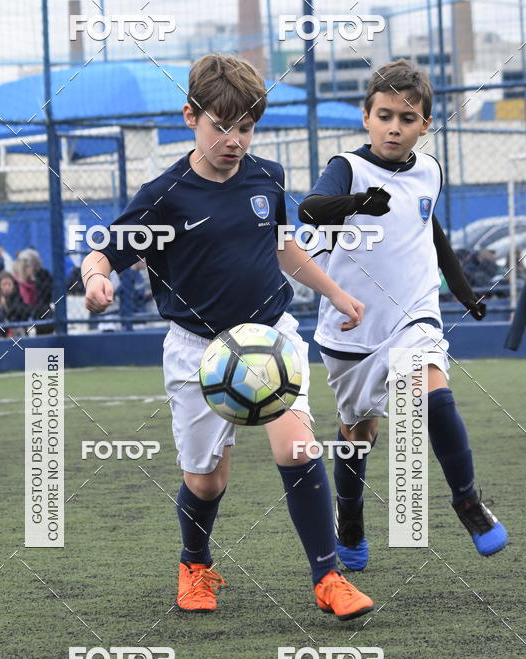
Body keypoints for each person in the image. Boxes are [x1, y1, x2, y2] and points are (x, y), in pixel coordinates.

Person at [82, 53, 374, 620]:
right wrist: (96, 280)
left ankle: (328, 577)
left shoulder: (268, 177)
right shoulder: (165, 194)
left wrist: (335, 293)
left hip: (270, 338)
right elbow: (104, 251)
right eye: (222, 126)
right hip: (198, 353)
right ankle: (195, 563)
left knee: (297, 445)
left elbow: (281, 245)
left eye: (246, 127)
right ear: (190, 116)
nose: (235, 139)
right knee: (207, 481)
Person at [298, 58, 507, 567]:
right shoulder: (347, 166)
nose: (395, 127)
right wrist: (356, 203)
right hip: (351, 330)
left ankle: (468, 501)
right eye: (385, 115)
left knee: (434, 397)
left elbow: (429, 231)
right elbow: (309, 209)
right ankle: (348, 520)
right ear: (366, 117)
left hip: (414, 315)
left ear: (425, 124)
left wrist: (462, 291)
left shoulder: (430, 170)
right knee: (358, 433)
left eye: (407, 119)